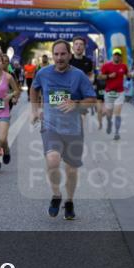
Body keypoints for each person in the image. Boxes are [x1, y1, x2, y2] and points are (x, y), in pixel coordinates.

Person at [30, 39, 97, 221]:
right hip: (50, 126)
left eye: (63, 54)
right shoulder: (43, 73)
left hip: (73, 129)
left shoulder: (79, 75)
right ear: (53, 55)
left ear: (69, 55)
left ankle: (69, 201)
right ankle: (56, 195)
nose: (59, 58)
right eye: (56, 54)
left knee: (71, 170)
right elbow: (33, 89)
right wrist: (35, 110)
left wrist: (76, 103)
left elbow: (92, 98)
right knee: (52, 160)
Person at [98, 48, 129, 140]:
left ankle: (116, 132)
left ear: (120, 57)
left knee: (117, 113)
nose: (117, 56)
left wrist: (131, 76)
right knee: (109, 113)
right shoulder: (106, 66)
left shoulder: (123, 66)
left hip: (120, 92)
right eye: (115, 54)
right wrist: (108, 76)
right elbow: (100, 76)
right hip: (109, 92)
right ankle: (109, 122)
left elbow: (128, 74)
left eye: (118, 55)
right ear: (112, 56)